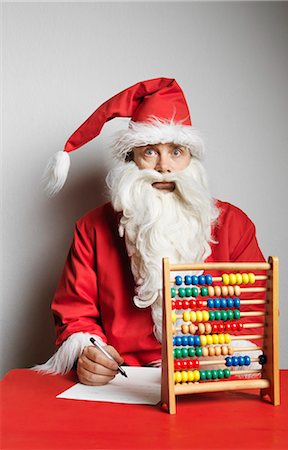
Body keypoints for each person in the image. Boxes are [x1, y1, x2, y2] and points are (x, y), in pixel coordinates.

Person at [35, 78, 265, 385]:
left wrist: (223, 357)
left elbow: (255, 313)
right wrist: (87, 353)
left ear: (191, 159)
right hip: (124, 381)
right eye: (150, 152)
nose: (164, 167)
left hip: (211, 378)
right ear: (132, 159)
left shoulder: (234, 225)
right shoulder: (91, 228)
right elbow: (75, 313)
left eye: (176, 151)